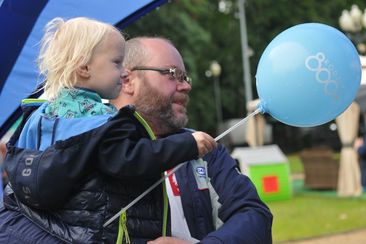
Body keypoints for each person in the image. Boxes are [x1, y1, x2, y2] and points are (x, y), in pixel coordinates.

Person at [0, 18, 216, 243]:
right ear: (84, 67)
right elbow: (131, 158)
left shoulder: (38, 116)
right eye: (117, 63)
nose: (124, 72)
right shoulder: (100, 123)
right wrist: (188, 145)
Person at [110, 37, 273, 243]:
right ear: (127, 81)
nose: (186, 86)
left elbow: (255, 217)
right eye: (173, 74)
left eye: (185, 77)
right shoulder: (88, 151)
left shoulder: (205, 151)